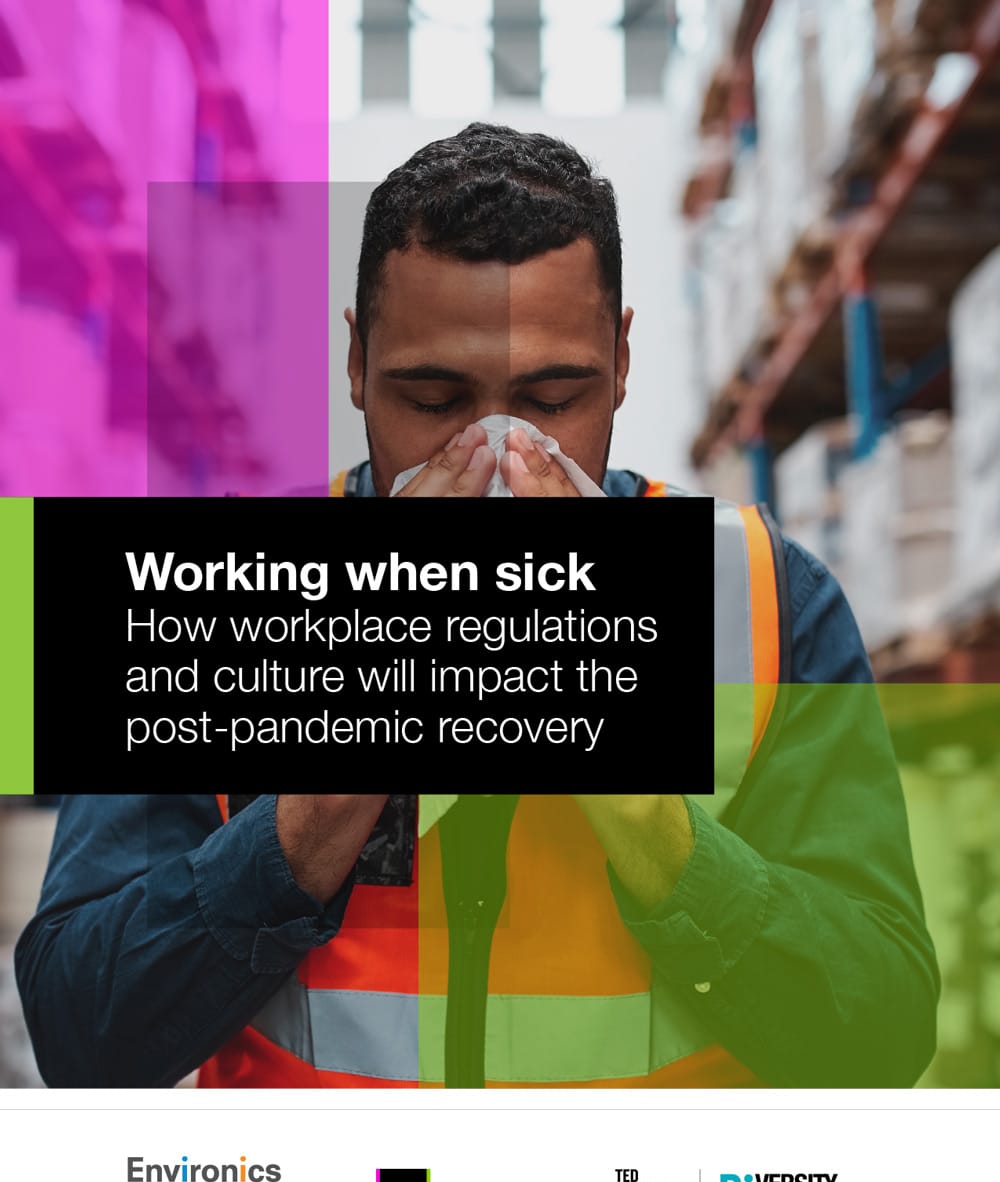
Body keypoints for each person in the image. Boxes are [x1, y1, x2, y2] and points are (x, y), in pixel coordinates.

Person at [16, 124, 938, 1089]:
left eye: (554, 397)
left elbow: (878, 1040)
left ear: (621, 360)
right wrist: (315, 813)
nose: (497, 457)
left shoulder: (762, 601)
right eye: (432, 399)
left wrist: (650, 827)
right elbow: (81, 1039)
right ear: (357, 362)